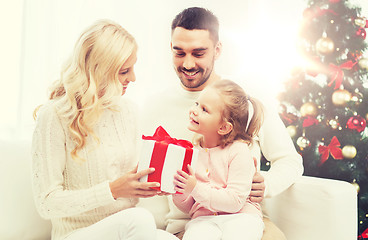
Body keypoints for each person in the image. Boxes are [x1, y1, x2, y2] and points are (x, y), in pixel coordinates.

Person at [141, 7, 303, 240]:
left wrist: (266, 183)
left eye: (198, 53)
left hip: (245, 218)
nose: (187, 64)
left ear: (217, 50)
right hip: (189, 224)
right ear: (171, 48)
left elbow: (290, 160)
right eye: (179, 53)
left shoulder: (244, 100)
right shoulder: (155, 107)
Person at [31, 19, 178, 240]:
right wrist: (111, 190)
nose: (133, 78)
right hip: (77, 234)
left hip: (127, 229)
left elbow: (124, 183)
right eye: (124, 71)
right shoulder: (53, 116)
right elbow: (46, 203)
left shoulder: (128, 111)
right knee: (139, 219)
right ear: (99, 71)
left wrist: (148, 183)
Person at [173, 80, 265, 240]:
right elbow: (190, 206)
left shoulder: (239, 151)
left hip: (241, 216)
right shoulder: (192, 152)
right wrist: (180, 191)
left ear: (223, 127)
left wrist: (195, 188)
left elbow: (235, 201)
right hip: (203, 220)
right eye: (196, 104)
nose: (194, 111)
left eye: (204, 109)